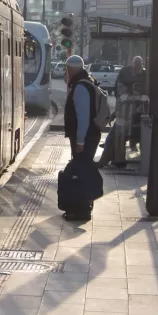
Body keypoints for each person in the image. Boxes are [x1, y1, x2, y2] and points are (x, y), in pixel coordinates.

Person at [63, 55, 102, 220]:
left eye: (67, 70)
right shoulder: (88, 81)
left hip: (86, 138)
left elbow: (83, 117)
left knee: (81, 172)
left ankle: (83, 209)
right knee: (82, 169)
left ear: (71, 71)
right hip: (90, 135)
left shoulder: (80, 87)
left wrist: (79, 141)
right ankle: (81, 207)